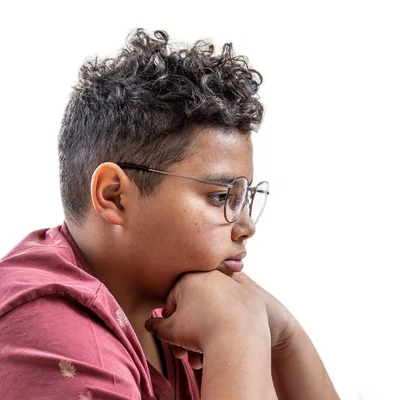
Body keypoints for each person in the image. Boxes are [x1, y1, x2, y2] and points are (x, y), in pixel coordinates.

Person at [0, 29, 339, 399]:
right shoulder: (50, 331)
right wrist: (236, 331)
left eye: (246, 197)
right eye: (220, 196)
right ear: (114, 196)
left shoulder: (189, 311)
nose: (246, 227)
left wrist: (284, 334)